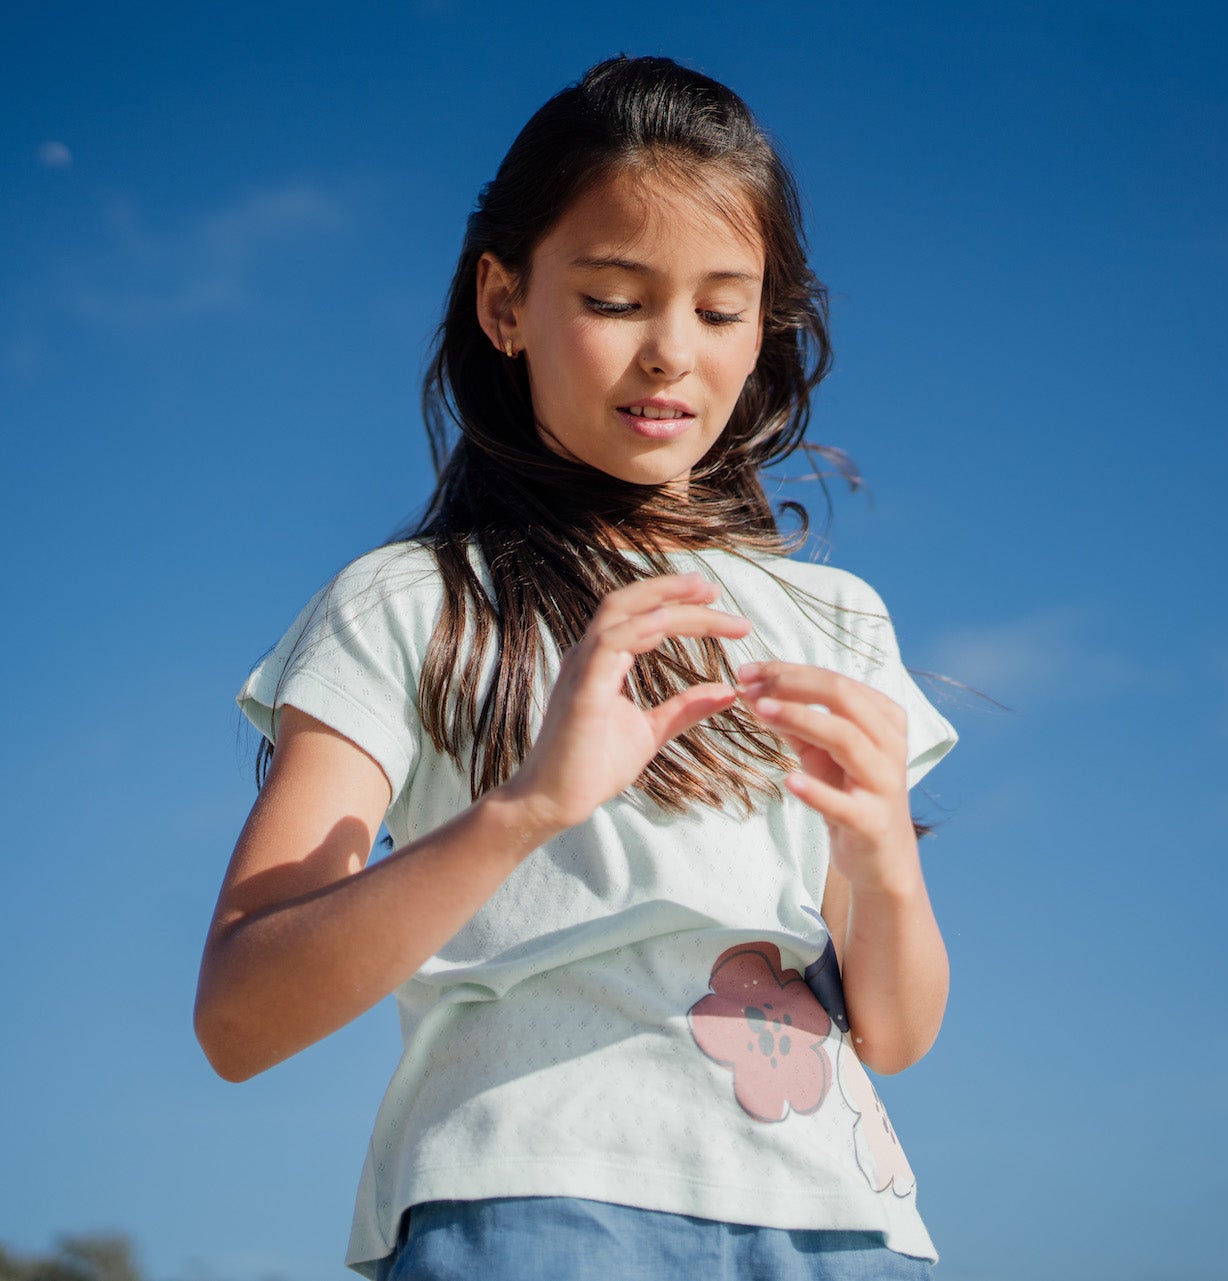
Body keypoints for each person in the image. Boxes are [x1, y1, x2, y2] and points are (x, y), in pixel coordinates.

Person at [194, 54, 959, 1280]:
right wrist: (531, 807)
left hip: (845, 1226)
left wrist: (878, 861)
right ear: (504, 302)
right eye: (614, 299)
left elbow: (902, 1032)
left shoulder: (840, 619)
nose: (671, 354)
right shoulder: (414, 602)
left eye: (720, 310)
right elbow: (238, 1017)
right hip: (528, 1202)